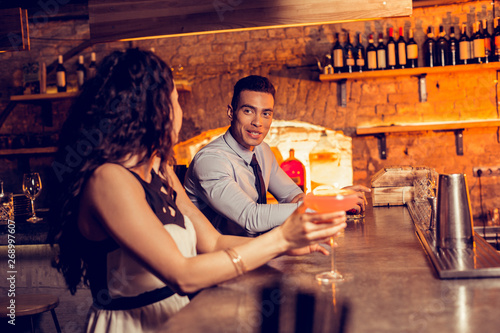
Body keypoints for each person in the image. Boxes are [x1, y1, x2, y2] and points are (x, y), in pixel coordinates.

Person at [48, 49, 347, 332]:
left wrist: (283, 247)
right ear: (151, 109)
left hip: (181, 315)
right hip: (132, 324)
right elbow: (183, 274)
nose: (180, 111)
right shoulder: (109, 180)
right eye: (175, 101)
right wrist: (280, 238)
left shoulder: (160, 168)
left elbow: (214, 242)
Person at [184, 75, 370, 237]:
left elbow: (293, 196)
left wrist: (335, 196)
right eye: (248, 111)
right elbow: (251, 217)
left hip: (258, 250)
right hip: (219, 260)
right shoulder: (210, 161)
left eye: (266, 114)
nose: (258, 122)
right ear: (231, 113)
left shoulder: (263, 151)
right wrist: (327, 206)